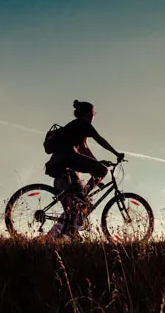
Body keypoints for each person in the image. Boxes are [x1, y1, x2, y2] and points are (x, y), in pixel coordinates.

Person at [45, 100, 125, 239]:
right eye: (93, 114)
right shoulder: (83, 123)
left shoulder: (75, 128)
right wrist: (116, 153)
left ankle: (72, 230)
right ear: (89, 114)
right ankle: (84, 195)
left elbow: (84, 150)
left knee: (77, 201)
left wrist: (96, 165)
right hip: (68, 158)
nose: (93, 116)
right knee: (103, 171)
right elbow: (100, 140)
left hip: (58, 162)